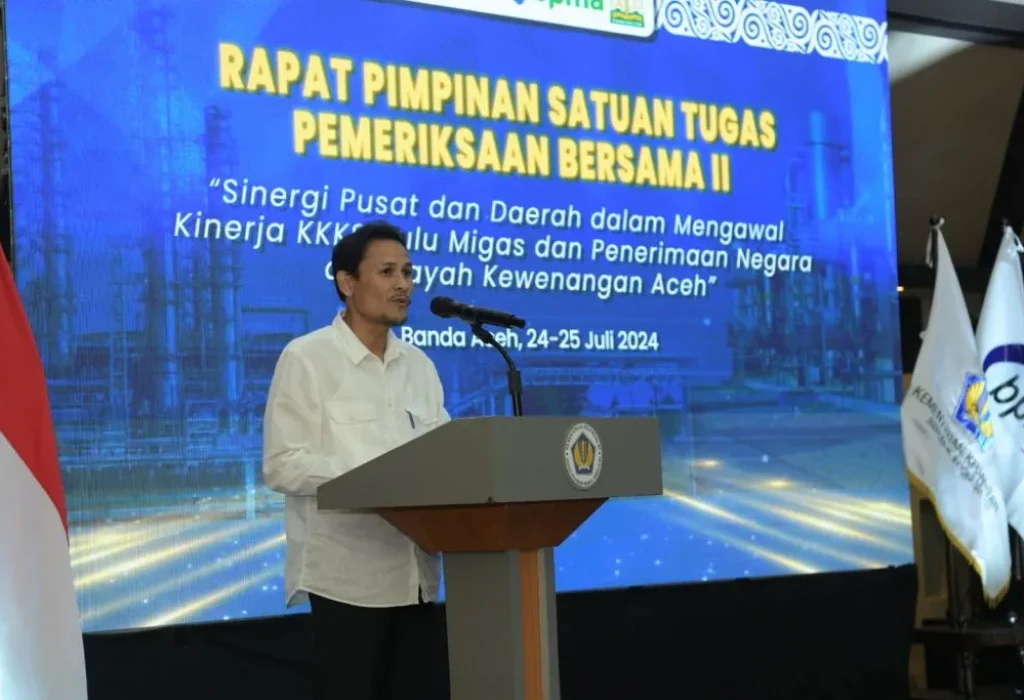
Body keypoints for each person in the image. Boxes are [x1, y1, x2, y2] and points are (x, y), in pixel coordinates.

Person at [262, 221, 450, 700]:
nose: (403, 284)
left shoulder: (420, 366)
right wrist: (375, 479)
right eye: (387, 271)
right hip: (348, 584)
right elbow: (283, 463)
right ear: (347, 283)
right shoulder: (307, 358)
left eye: (408, 272)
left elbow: (446, 459)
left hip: (417, 580)